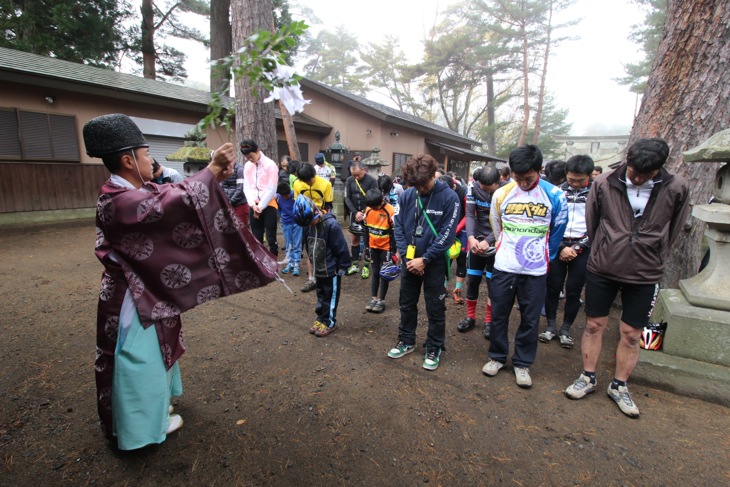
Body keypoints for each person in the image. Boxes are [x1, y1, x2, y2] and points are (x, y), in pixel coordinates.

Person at [84, 114, 277, 450]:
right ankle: (140, 430)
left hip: (145, 287)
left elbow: (169, 193)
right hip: (133, 298)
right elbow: (168, 203)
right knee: (139, 361)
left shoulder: (131, 190)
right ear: (128, 160)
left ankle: (157, 410)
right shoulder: (118, 199)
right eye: (146, 155)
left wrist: (212, 176)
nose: (150, 160)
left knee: (158, 353)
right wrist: (212, 170)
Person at [564, 138, 690, 418]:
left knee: (632, 334)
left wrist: (653, 251)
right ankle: (588, 376)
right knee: (595, 324)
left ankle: (619, 385)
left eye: (645, 175)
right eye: (633, 171)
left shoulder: (677, 187)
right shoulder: (605, 182)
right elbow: (592, 221)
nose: (637, 177)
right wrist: (606, 247)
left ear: (660, 169)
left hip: (645, 272)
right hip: (602, 267)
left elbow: (676, 227)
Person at [482, 145, 567, 388]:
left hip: (535, 269)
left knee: (530, 318)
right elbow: (496, 225)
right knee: (499, 314)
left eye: (528, 178)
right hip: (505, 265)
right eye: (518, 178)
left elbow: (558, 230)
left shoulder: (554, 195)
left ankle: (522, 363)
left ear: (539, 170)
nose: (522, 183)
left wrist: (543, 257)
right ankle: (497, 357)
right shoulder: (501, 194)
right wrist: (504, 247)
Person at [388, 154, 460, 371]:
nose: (419, 189)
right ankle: (407, 340)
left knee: (435, 307)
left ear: (433, 175)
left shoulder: (449, 198)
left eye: (423, 184)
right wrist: (406, 256)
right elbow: (398, 225)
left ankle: (434, 345)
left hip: (434, 263)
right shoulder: (407, 195)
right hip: (409, 261)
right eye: (415, 185)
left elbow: (447, 235)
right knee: (406, 303)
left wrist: (426, 259)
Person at [539, 155, 595, 349]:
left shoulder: (596, 193)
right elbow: (547, 221)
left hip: (583, 247)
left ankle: (566, 329)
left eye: (581, 180)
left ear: (589, 175)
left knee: (574, 290)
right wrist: (561, 246)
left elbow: (598, 225)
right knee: (553, 287)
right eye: (571, 179)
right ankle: (551, 326)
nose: (576, 184)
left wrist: (578, 248)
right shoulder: (557, 192)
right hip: (558, 245)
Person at [293, 195, 352, 337]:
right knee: (320, 294)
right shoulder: (308, 225)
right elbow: (308, 243)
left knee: (330, 296)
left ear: (316, 211)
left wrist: (343, 266)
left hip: (331, 269)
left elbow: (341, 247)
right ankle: (321, 317)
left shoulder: (331, 225)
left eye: (312, 221)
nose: (311, 225)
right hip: (318, 267)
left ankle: (329, 322)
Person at [456, 166, 503, 338]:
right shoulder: (473, 187)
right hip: (476, 241)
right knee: (473, 281)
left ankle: (489, 321)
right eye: (482, 188)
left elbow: (505, 221)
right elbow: (469, 215)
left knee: (492, 285)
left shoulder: (507, 191)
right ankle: (470, 317)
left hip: (496, 242)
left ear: (498, 183)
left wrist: (488, 241)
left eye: (489, 189)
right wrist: (470, 238)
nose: (484, 191)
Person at [292, 162, 334, 292]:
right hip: (306, 222)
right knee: (309, 249)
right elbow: (297, 203)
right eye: (304, 181)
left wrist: (321, 214)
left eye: (309, 180)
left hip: (321, 220)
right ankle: (312, 279)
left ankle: (324, 276)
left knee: (323, 248)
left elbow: (328, 206)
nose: (307, 183)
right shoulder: (298, 184)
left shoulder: (325, 184)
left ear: (314, 175)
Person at [241, 139, 279, 257]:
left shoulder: (270, 165)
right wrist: (253, 205)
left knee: (271, 237)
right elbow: (247, 187)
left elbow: (271, 189)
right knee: (256, 238)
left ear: (257, 150)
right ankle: (261, 264)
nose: (249, 159)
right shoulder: (247, 166)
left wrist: (261, 207)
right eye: (247, 157)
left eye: (251, 156)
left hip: (269, 204)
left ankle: (273, 262)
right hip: (254, 204)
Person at [362, 188, 397, 313]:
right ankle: (374, 298)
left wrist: (394, 251)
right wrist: (366, 247)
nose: (375, 209)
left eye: (376, 206)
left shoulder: (391, 211)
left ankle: (381, 300)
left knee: (385, 273)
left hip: (386, 247)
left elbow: (395, 233)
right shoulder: (368, 209)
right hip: (373, 246)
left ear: (382, 200)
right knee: (375, 272)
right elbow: (365, 229)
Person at [344, 159, 379, 278]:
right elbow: (347, 198)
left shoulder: (372, 181)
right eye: (354, 175)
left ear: (364, 170)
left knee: (368, 241)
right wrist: (355, 212)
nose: (356, 177)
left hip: (369, 214)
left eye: (358, 174)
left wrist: (364, 212)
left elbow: (375, 198)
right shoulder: (349, 180)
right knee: (354, 239)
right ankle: (354, 264)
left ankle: (366, 266)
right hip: (355, 214)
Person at [440, 174, 468, 305]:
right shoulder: (440, 193)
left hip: (461, 228)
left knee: (461, 255)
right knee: (446, 256)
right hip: (446, 228)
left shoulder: (463, 192)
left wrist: (455, 230)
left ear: (454, 186)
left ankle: (457, 289)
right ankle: (443, 286)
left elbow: (468, 215)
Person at [277, 182, 301, 276]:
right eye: (283, 196)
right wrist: (282, 217)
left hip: (297, 223)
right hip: (286, 223)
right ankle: (290, 263)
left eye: (287, 195)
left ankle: (296, 264)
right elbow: (278, 209)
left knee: (297, 244)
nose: (285, 197)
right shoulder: (278, 197)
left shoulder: (295, 194)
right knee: (288, 244)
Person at [219, 160, 249, 226]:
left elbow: (240, 189)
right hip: (227, 204)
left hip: (239, 204)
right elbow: (221, 186)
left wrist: (231, 201)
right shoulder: (223, 170)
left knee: (242, 228)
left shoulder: (240, 170)